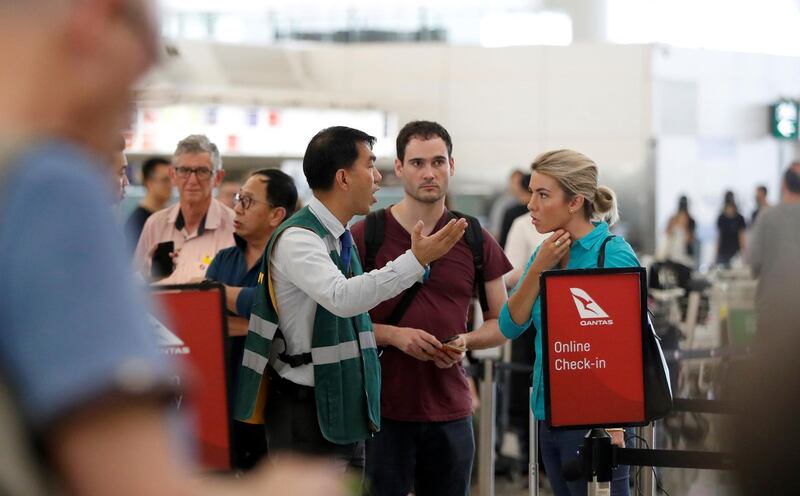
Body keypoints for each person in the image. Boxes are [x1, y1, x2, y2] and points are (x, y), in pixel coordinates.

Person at [0, 0, 344, 494]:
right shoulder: (46, 187)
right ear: (96, 25)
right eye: (139, 77)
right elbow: (138, 482)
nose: (131, 109)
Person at [235, 126, 468, 475]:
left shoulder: (339, 236)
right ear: (344, 178)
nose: (377, 177)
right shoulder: (299, 238)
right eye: (370, 165)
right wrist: (414, 260)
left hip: (341, 408)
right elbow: (342, 299)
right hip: (306, 415)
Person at [350, 121, 513, 496]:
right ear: (400, 168)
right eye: (418, 162)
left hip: (451, 409)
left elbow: (500, 322)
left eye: (438, 162)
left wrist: (465, 341)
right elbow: (337, 318)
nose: (429, 172)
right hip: (381, 410)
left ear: (451, 166)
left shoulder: (473, 237)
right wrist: (393, 335)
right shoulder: (366, 235)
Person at [499, 149, 639, 496]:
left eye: (543, 194)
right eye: (531, 192)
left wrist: (617, 426)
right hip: (548, 415)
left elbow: (628, 348)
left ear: (575, 201)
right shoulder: (547, 251)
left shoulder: (613, 254)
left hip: (597, 421)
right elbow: (510, 325)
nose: (531, 204)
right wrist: (539, 265)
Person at [205, 168, 298, 470]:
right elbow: (206, 320)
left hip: (277, 400)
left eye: (247, 201)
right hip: (223, 395)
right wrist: (261, 323)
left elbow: (281, 317)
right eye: (237, 199)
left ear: (276, 214)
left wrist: (222, 294)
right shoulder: (223, 259)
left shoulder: (288, 261)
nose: (237, 207)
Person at [134, 135, 235, 284]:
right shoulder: (155, 224)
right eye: (184, 170)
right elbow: (129, 285)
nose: (192, 180)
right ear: (173, 175)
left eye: (202, 171)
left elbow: (257, 284)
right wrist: (144, 276)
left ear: (218, 177)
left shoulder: (235, 227)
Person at [748, 163, 800, 340]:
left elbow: (753, 263)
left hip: (773, 311)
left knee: (774, 365)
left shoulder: (767, 217)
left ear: (783, 185)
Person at [125, 157, 172, 246]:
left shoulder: (170, 216)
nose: (170, 185)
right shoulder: (137, 222)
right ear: (149, 182)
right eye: (165, 180)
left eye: (171, 179)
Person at [715, 190, 746, 266]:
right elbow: (719, 237)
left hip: (735, 254)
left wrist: (743, 254)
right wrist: (716, 254)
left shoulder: (739, 218)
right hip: (723, 253)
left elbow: (741, 237)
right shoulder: (721, 218)